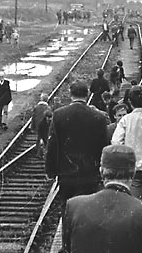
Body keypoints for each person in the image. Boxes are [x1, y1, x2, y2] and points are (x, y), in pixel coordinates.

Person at [46, 81, 108, 209]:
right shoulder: (99, 117)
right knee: (88, 209)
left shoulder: (58, 114)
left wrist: (50, 170)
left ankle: (68, 228)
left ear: (70, 94)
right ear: (87, 94)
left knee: (67, 207)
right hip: (90, 173)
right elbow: (104, 146)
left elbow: (52, 144)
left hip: (66, 173)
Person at [31, 93, 52, 158]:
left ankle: (38, 152)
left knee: (39, 138)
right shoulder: (48, 107)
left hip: (38, 125)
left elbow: (33, 117)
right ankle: (42, 153)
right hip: (45, 126)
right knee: (45, 139)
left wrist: (32, 127)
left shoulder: (36, 107)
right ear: (47, 100)